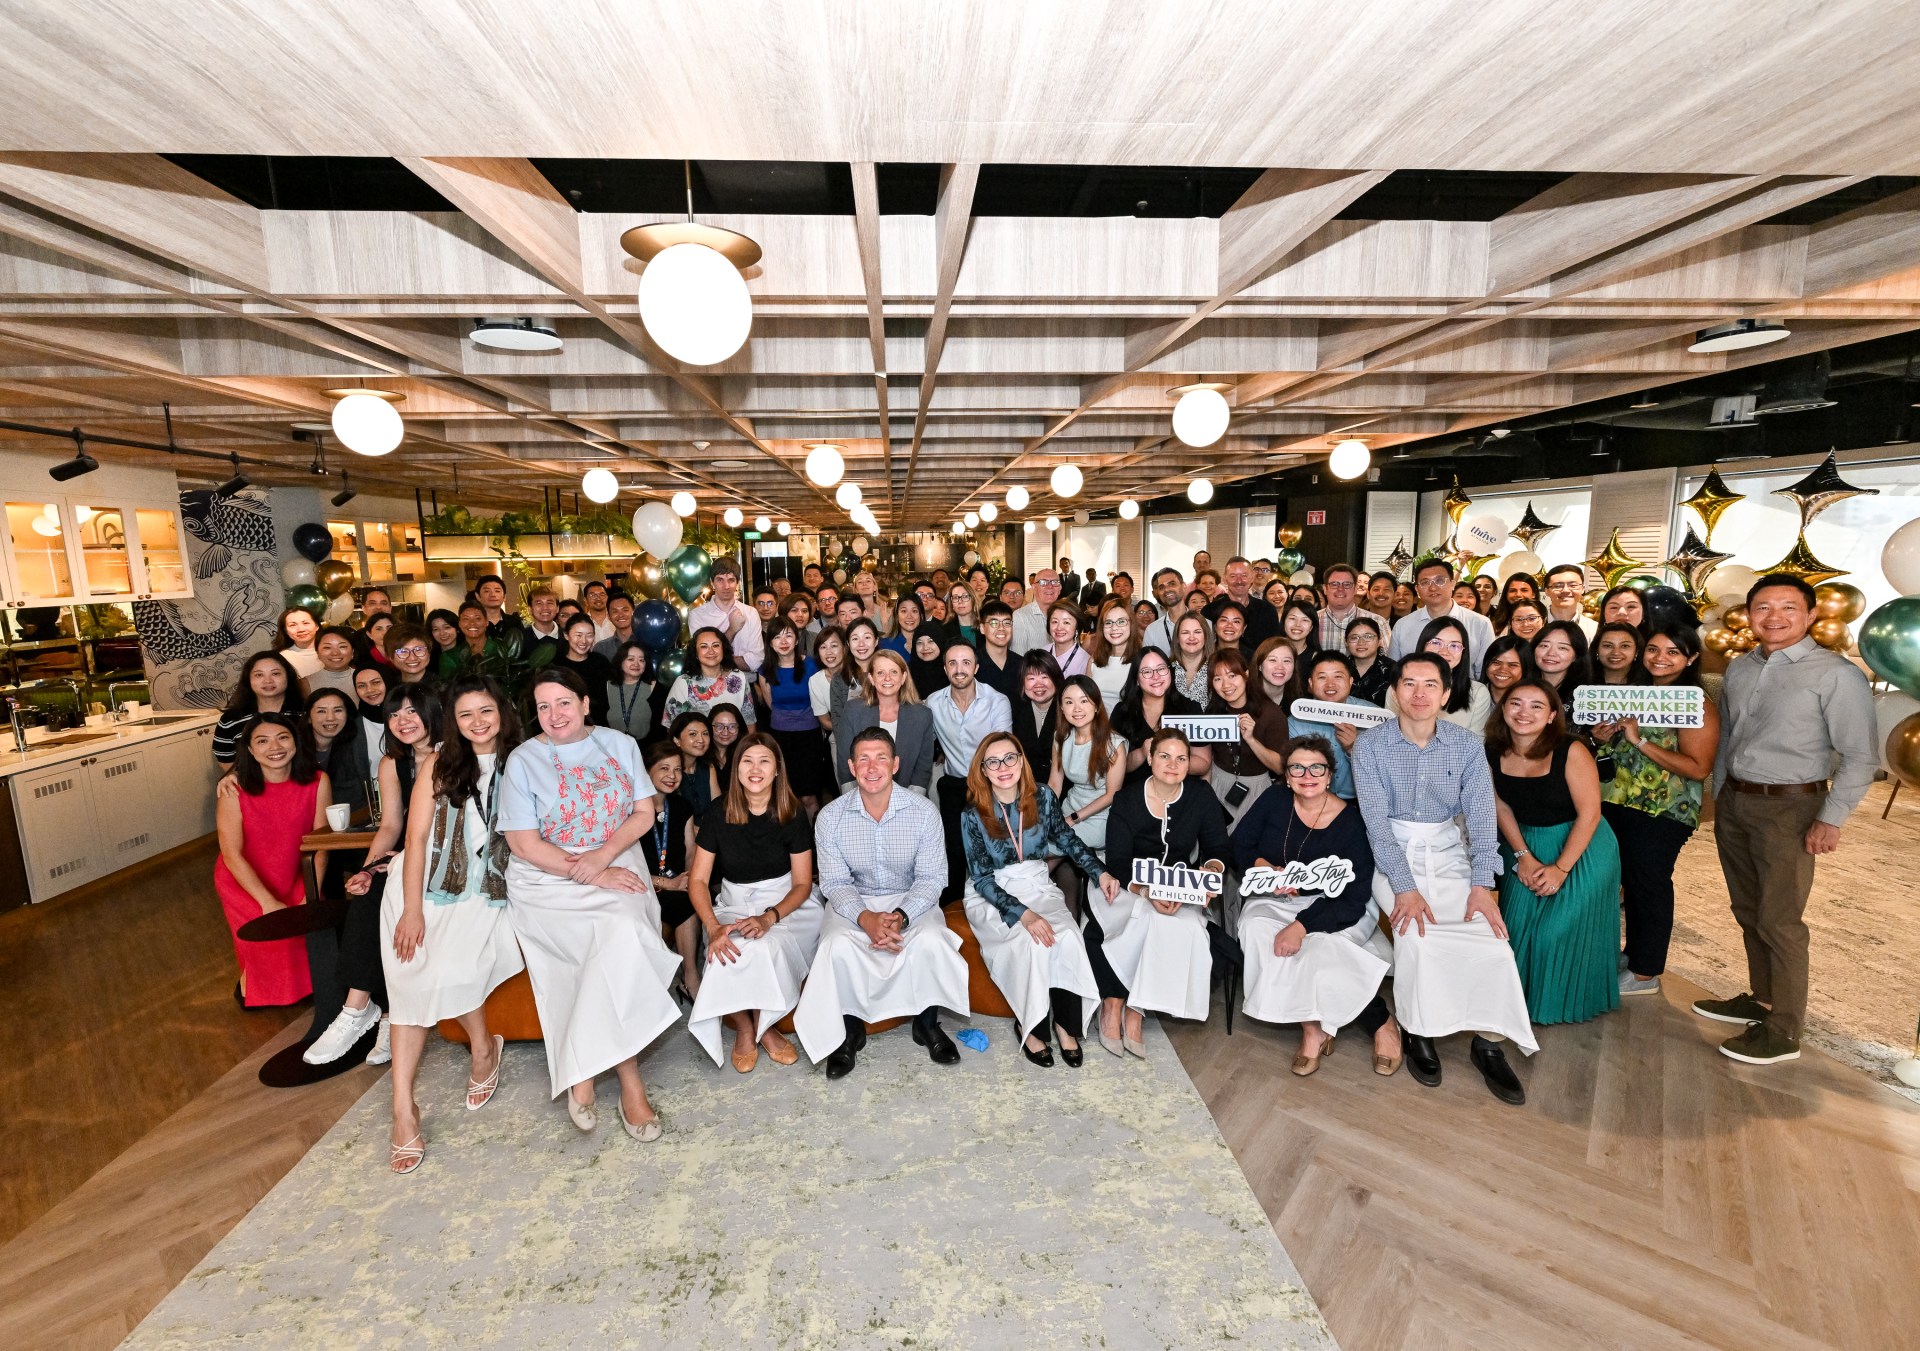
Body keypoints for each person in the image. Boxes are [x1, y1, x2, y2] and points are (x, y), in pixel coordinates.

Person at [1693, 574, 1877, 1065]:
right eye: (1763, 608)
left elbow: (1860, 756)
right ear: (1749, 614)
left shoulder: (1835, 675)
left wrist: (1831, 818)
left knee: (1781, 919)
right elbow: (1730, 733)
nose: (1774, 618)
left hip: (1792, 809)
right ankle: (1763, 998)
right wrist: (1722, 791)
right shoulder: (1739, 667)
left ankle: (1785, 1029)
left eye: (1788, 608)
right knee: (1748, 909)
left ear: (1812, 615)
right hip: (1737, 801)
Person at [500, 668, 677, 1140]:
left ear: (584, 704)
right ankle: (629, 1082)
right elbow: (522, 842)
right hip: (547, 878)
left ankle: (585, 1068)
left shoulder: (620, 744)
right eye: (543, 706)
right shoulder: (522, 759)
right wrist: (583, 868)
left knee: (618, 928)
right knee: (610, 941)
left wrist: (601, 858)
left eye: (563, 703)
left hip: (616, 857)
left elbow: (644, 812)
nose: (553, 715)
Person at [1352, 654, 1535, 1105]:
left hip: (1449, 851)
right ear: (1394, 691)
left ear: (1446, 694)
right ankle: (1420, 1032)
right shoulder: (1371, 746)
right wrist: (1405, 887)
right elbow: (1375, 825)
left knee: (1490, 938)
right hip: (1390, 855)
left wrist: (1483, 884)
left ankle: (1489, 1042)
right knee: (1416, 934)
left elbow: (1480, 815)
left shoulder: (1466, 745)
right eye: (1409, 684)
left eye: (1430, 684)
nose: (1419, 694)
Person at [379, 676, 527, 1174]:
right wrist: (413, 909)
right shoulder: (439, 764)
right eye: (466, 715)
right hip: (424, 886)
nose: (477, 722)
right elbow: (416, 839)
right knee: (407, 980)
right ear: (454, 722)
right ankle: (404, 1112)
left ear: (503, 712)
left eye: (486, 711)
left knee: (457, 968)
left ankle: (484, 1048)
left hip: (488, 891)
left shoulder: (526, 760)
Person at [794, 727, 973, 1078]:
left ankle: (927, 1023)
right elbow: (833, 883)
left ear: (895, 764)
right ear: (850, 765)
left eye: (880, 758)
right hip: (854, 901)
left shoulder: (923, 811)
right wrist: (865, 918)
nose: (872, 767)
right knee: (835, 945)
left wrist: (901, 916)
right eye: (863, 759)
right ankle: (849, 1031)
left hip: (910, 900)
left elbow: (932, 879)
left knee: (932, 939)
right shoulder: (830, 816)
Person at [1231, 734, 1397, 1075]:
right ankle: (1312, 1029)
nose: (1308, 775)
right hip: (1275, 897)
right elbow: (1239, 846)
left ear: (1330, 774)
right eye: (1298, 768)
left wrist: (1301, 925)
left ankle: (1382, 1023)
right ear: (1287, 776)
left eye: (1316, 768)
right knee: (1255, 927)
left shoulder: (1352, 821)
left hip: (1335, 906)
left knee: (1318, 948)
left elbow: (1353, 896)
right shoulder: (1273, 800)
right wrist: (1260, 864)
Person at [960, 732, 1122, 1067]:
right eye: (993, 762)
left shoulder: (1044, 796)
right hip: (993, 894)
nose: (1003, 767)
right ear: (984, 770)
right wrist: (1025, 915)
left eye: (1010, 758)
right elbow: (982, 879)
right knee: (1032, 941)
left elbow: (1067, 838)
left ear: (1021, 761)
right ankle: (1030, 1024)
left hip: (1036, 882)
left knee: (1068, 936)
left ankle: (1065, 1024)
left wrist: (1099, 872)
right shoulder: (973, 812)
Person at [305, 683, 440, 1066]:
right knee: (369, 891)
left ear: (432, 711)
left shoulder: (455, 755)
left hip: (445, 856)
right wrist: (369, 867)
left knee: (388, 889)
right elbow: (390, 826)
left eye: (412, 711)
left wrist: (400, 858)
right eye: (394, 714)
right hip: (405, 853)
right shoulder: (391, 763)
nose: (402, 721)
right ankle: (365, 1009)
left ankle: (373, 1011)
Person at [1087, 728, 1231, 1055]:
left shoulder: (1200, 795)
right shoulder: (1127, 799)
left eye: (1181, 758)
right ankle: (1112, 1003)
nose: (1172, 764)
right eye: (1164, 756)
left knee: (1188, 927)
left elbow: (1219, 848)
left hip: (1180, 885)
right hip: (1130, 885)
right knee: (1141, 919)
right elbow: (1119, 860)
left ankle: (1137, 1010)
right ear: (1150, 758)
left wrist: (1210, 871)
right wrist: (1148, 890)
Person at [1487, 680, 1623, 1026]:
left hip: (1582, 847)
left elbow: (1591, 813)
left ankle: (1561, 1004)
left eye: (1536, 706)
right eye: (1516, 703)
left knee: (1552, 934)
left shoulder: (1571, 749)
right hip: (1524, 843)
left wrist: (1561, 869)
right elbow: (1500, 805)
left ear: (1551, 715)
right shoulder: (1491, 749)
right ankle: (1513, 1008)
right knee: (1513, 932)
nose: (1524, 713)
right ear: (1503, 709)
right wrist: (1523, 856)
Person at [1594, 624, 1718, 998]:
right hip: (1618, 803)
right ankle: (1633, 954)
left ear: (1691, 658)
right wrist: (1605, 738)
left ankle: (1646, 972)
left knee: (1649, 885)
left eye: (1672, 652)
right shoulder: (1635, 694)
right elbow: (1618, 752)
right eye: (1653, 650)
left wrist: (1641, 741)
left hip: (1663, 810)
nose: (1660, 658)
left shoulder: (1695, 703)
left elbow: (1698, 767)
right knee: (1628, 884)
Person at [687, 733, 821, 1072]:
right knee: (724, 952)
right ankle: (745, 1030)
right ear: (736, 769)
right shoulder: (718, 813)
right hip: (733, 900)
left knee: (764, 948)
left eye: (764, 761)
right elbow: (699, 880)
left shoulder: (791, 812)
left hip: (786, 904)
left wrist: (768, 918)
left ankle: (766, 1026)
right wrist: (714, 927)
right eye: (747, 761)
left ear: (777, 769)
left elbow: (803, 883)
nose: (755, 768)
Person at [214, 713, 331, 1008]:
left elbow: (321, 844)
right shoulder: (234, 789)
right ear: (250, 750)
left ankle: (304, 988)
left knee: (305, 933)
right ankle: (251, 988)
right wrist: (266, 900)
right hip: (245, 879)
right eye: (262, 741)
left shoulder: (318, 781)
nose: (274, 747)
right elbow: (232, 854)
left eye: (282, 737)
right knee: (266, 939)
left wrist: (311, 891)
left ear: (295, 742)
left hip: (296, 874)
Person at [926, 641, 1014, 900]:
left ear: (976, 667)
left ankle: (996, 901)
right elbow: (922, 740)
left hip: (990, 783)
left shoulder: (997, 700)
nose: (959, 669)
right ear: (945, 669)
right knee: (954, 851)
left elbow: (1004, 749)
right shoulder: (933, 703)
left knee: (992, 848)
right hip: (953, 784)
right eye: (952, 663)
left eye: (966, 662)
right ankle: (952, 911)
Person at [641, 739, 703, 1004]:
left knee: (689, 897)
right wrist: (666, 883)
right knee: (677, 897)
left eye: (677, 770)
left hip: (677, 884)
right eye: (664, 769)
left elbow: (690, 851)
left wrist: (689, 878)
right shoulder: (632, 810)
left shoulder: (682, 808)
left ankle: (690, 977)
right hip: (642, 887)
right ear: (646, 771)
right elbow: (627, 865)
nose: (672, 776)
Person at [1050, 674, 1127, 877]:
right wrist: (1042, 816)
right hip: (1070, 807)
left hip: (1100, 816)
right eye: (1069, 702)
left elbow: (1112, 795)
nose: (1076, 709)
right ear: (1061, 708)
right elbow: (1054, 784)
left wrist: (1073, 819)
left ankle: (1024, 894)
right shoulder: (1061, 738)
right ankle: (1027, 894)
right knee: (1038, 842)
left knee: (1048, 848)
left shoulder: (1114, 743)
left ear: (1096, 705)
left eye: (1084, 701)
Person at [833, 648, 935, 792]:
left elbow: (923, 767)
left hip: (908, 796)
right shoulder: (853, 710)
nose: (888, 678)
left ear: (904, 677)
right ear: (871, 678)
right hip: (862, 794)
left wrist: (911, 803)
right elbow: (845, 760)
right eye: (880, 673)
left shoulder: (922, 715)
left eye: (894, 672)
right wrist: (854, 801)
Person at [757, 618, 830, 815]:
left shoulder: (813, 665)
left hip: (810, 737)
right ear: (770, 642)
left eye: (789, 635)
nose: (784, 641)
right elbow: (771, 704)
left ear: (797, 639)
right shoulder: (765, 671)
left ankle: (813, 841)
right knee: (783, 795)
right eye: (777, 636)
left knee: (809, 796)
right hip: (780, 738)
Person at [1205, 648, 1285, 828]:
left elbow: (1281, 767)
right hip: (1218, 782)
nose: (1226, 685)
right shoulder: (1213, 712)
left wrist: (1251, 739)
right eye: (1218, 679)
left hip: (1257, 788)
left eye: (1232, 675)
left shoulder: (1271, 713)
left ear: (1246, 674)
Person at [1112, 647, 1213, 784]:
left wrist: (1170, 760)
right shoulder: (1122, 712)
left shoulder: (1190, 709)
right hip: (1136, 793)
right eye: (1147, 671)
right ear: (1136, 679)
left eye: (1161, 669)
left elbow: (1204, 763)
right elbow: (1114, 765)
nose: (1156, 676)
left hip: (1180, 792)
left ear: (1170, 672)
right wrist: (1142, 753)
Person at [1287, 651, 1373, 800]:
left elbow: (1387, 771)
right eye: (1322, 677)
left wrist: (1354, 749)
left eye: (1338, 676)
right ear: (1311, 683)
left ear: (1351, 681)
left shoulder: (1373, 716)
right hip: (1311, 798)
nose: (1330, 684)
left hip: (1361, 801)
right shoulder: (1296, 719)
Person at [1386, 615, 1493, 735]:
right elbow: (1390, 736)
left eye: (1454, 646)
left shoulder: (1478, 693)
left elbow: (1474, 747)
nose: (1444, 652)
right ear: (1423, 645)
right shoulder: (1398, 688)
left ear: (1463, 652)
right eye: (1436, 643)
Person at [1388, 558, 1495, 669]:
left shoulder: (1480, 624)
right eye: (1425, 582)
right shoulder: (1403, 625)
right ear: (1417, 590)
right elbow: (1394, 669)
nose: (1433, 587)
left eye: (1439, 581)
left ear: (1453, 584)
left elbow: (1485, 670)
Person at [213, 651, 306, 766]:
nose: (268, 681)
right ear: (248, 680)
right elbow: (226, 761)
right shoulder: (230, 720)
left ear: (288, 676)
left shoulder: (306, 713)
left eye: (275, 674)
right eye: (259, 675)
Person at [662, 626, 756, 731]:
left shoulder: (739, 678)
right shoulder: (683, 682)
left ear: (723, 650)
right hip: (697, 745)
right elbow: (672, 727)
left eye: (715, 645)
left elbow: (749, 722)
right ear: (695, 653)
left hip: (733, 744)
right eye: (704, 646)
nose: (711, 651)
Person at [686, 556, 763, 674]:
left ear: (738, 583)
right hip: (710, 687)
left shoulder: (751, 613)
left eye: (731, 580)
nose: (726, 586)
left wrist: (716, 660)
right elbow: (700, 658)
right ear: (712, 583)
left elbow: (756, 661)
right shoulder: (697, 615)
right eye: (720, 580)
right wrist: (732, 629)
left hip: (746, 686)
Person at [1203, 558, 1281, 651]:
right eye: (1233, 576)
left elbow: (1273, 647)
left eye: (1244, 575)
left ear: (1252, 577)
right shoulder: (1209, 611)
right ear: (1224, 579)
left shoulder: (1267, 610)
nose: (1239, 581)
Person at [553, 613, 614, 725]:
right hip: (565, 726)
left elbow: (608, 699)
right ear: (566, 635)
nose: (584, 641)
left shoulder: (601, 662)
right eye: (578, 635)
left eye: (589, 635)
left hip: (599, 726)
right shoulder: (556, 665)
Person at [1012, 650, 1065, 778]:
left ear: (1056, 678)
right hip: (1026, 783)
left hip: (1062, 787)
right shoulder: (1016, 710)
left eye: (1045, 677)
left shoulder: (1067, 709)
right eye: (1031, 678)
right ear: (1023, 682)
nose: (1038, 684)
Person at [1529, 620, 1592, 721]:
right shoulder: (1521, 687)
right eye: (1544, 646)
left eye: (1562, 648)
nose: (1551, 653)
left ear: (1576, 655)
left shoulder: (1585, 696)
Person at [1086, 598, 1139, 710]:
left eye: (1121, 621)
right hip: (1098, 726)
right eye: (1108, 623)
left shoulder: (1142, 661)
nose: (1114, 628)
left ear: (1131, 624)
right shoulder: (1094, 661)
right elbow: (1087, 701)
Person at [671, 711, 723, 818]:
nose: (701, 740)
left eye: (705, 734)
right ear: (677, 740)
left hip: (709, 829)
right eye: (693, 734)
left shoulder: (709, 766)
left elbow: (717, 806)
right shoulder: (669, 770)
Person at [440, 601, 506, 683]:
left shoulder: (503, 649)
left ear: (487, 622)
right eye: (466, 619)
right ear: (459, 624)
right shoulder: (450, 657)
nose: (472, 623)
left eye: (478, 618)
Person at [606, 641, 658, 742]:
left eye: (641, 660)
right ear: (620, 661)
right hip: (612, 748)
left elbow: (659, 728)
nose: (636, 664)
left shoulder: (655, 687)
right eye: (630, 659)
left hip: (646, 749)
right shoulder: (607, 686)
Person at [1141, 567, 1196, 654]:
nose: (1167, 589)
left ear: (1184, 586)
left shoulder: (1204, 624)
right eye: (1161, 587)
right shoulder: (1152, 630)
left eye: (1172, 584)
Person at [807, 625, 849, 735]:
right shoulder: (815, 680)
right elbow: (825, 720)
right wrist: (846, 733)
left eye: (834, 646)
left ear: (845, 648)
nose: (828, 652)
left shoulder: (857, 674)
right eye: (823, 647)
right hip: (838, 735)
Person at [1315, 564, 1366, 653]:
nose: (1340, 589)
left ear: (1355, 589)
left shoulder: (1377, 621)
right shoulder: (1312, 620)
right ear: (1325, 589)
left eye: (1347, 584)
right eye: (1334, 584)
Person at [1345, 615, 1394, 706]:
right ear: (1346, 642)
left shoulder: (1393, 670)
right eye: (1354, 638)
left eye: (1368, 637)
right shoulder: (1340, 667)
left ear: (1379, 641)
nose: (1361, 642)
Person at [1011, 568, 1062, 654]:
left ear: (1060, 588)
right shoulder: (1020, 617)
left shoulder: (1065, 616)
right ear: (1034, 588)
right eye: (1043, 583)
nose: (1050, 586)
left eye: (1054, 582)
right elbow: (1019, 659)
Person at [1542, 563, 1597, 638]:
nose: (1566, 590)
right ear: (1547, 591)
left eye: (1573, 585)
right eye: (1558, 586)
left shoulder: (1594, 629)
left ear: (1582, 589)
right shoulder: (1534, 626)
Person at [1168, 612, 1212, 706]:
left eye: (1197, 632)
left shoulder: (1217, 668)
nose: (1192, 638)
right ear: (1177, 638)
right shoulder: (1166, 669)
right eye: (1185, 632)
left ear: (1206, 636)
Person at [1589, 622, 1647, 688]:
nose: (1615, 652)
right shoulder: (1580, 683)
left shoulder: (1650, 686)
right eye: (1608, 646)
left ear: (1637, 651)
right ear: (1596, 649)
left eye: (1625, 646)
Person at [304, 626, 358, 696]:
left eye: (342, 646)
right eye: (327, 647)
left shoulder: (366, 678)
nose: (335, 653)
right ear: (318, 653)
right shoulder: (305, 684)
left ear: (353, 651)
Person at [1480, 634, 1535, 703]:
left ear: (1525, 668)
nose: (1502, 670)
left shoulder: (1534, 700)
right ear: (1486, 663)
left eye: (1512, 665)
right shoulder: (1472, 695)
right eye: (1496, 663)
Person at [383, 624, 440, 691]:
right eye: (403, 651)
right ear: (390, 657)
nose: (412, 658)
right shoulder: (387, 689)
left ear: (429, 653)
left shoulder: (446, 690)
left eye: (419, 649)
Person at [275, 606, 323, 681]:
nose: (300, 629)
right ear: (286, 631)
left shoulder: (331, 652)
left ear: (317, 626)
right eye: (292, 625)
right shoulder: (283, 658)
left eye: (306, 623)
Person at [472, 575, 524, 645]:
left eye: (497, 591)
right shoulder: (471, 624)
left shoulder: (514, 622)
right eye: (487, 591)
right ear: (478, 596)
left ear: (504, 597)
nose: (493, 594)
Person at [1043, 601, 1088, 678]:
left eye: (1066, 622)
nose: (1059, 628)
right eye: (1055, 622)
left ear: (1077, 628)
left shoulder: (1085, 661)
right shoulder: (1042, 653)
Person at [594, 592, 638, 659]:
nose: (621, 615)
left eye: (625, 610)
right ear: (609, 616)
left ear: (634, 612)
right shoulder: (601, 648)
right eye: (615, 611)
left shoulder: (646, 642)